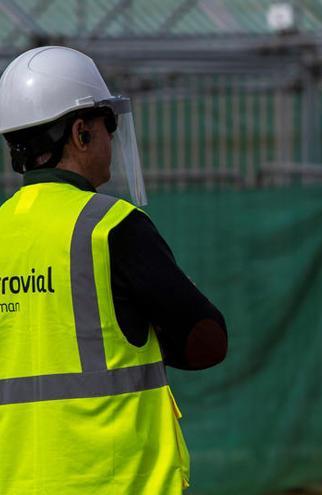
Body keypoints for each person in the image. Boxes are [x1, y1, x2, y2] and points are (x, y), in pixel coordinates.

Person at [0, 46, 227, 493]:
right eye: (109, 126)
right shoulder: (112, 227)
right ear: (81, 132)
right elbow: (206, 340)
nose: (112, 140)